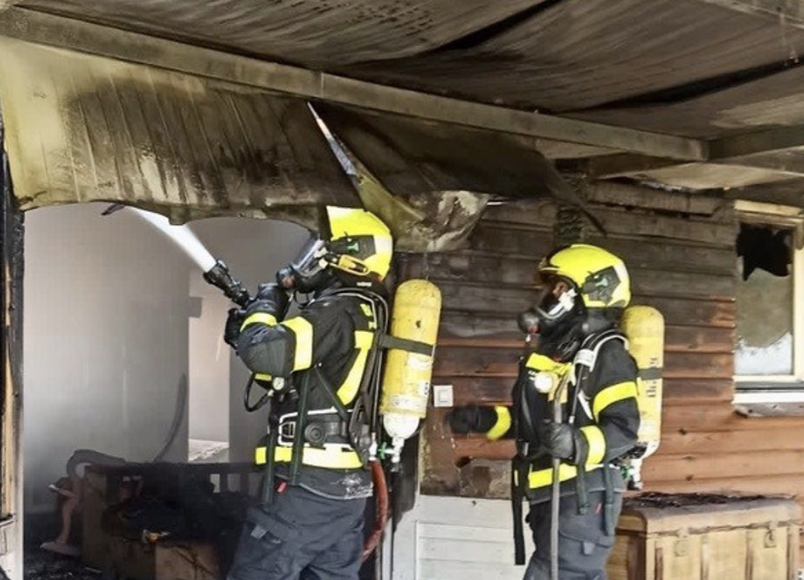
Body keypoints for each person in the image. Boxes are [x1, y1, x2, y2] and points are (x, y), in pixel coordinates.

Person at [448, 244, 640, 580]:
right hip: (549, 497)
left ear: (589, 294)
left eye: (560, 289)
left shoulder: (607, 354)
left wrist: (577, 443)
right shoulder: (560, 354)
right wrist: (486, 421)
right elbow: (539, 424)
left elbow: (624, 430)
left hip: (582, 501)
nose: (549, 297)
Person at [223, 206, 393, 580]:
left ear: (349, 256)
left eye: (323, 247)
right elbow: (301, 383)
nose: (313, 257)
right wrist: (246, 338)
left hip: (305, 488)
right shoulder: (369, 310)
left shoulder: (337, 309)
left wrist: (266, 305)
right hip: (344, 493)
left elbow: (266, 353)